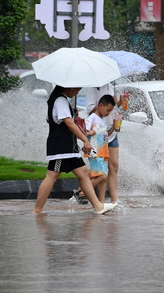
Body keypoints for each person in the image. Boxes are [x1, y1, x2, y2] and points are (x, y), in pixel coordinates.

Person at [34, 86, 117, 215]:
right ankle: (38, 210)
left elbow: (49, 119)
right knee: (52, 176)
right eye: (77, 89)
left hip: (69, 147)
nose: (78, 91)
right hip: (61, 147)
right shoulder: (60, 100)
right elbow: (68, 123)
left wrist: (73, 114)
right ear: (70, 88)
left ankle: (97, 206)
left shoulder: (58, 100)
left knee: (83, 173)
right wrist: (85, 140)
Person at [86, 83, 128, 204]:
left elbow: (111, 108)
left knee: (113, 165)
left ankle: (114, 200)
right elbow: (90, 109)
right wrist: (105, 105)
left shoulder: (111, 85)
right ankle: (82, 190)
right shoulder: (93, 88)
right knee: (99, 169)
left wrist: (119, 101)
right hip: (99, 132)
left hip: (111, 129)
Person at [72, 94, 116, 204]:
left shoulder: (103, 120)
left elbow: (107, 135)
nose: (108, 113)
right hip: (95, 151)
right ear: (100, 105)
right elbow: (84, 132)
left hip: (103, 151)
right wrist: (90, 132)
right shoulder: (92, 117)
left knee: (102, 178)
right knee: (102, 176)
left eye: (110, 111)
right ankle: (82, 192)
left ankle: (101, 202)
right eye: (107, 110)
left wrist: (114, 126)